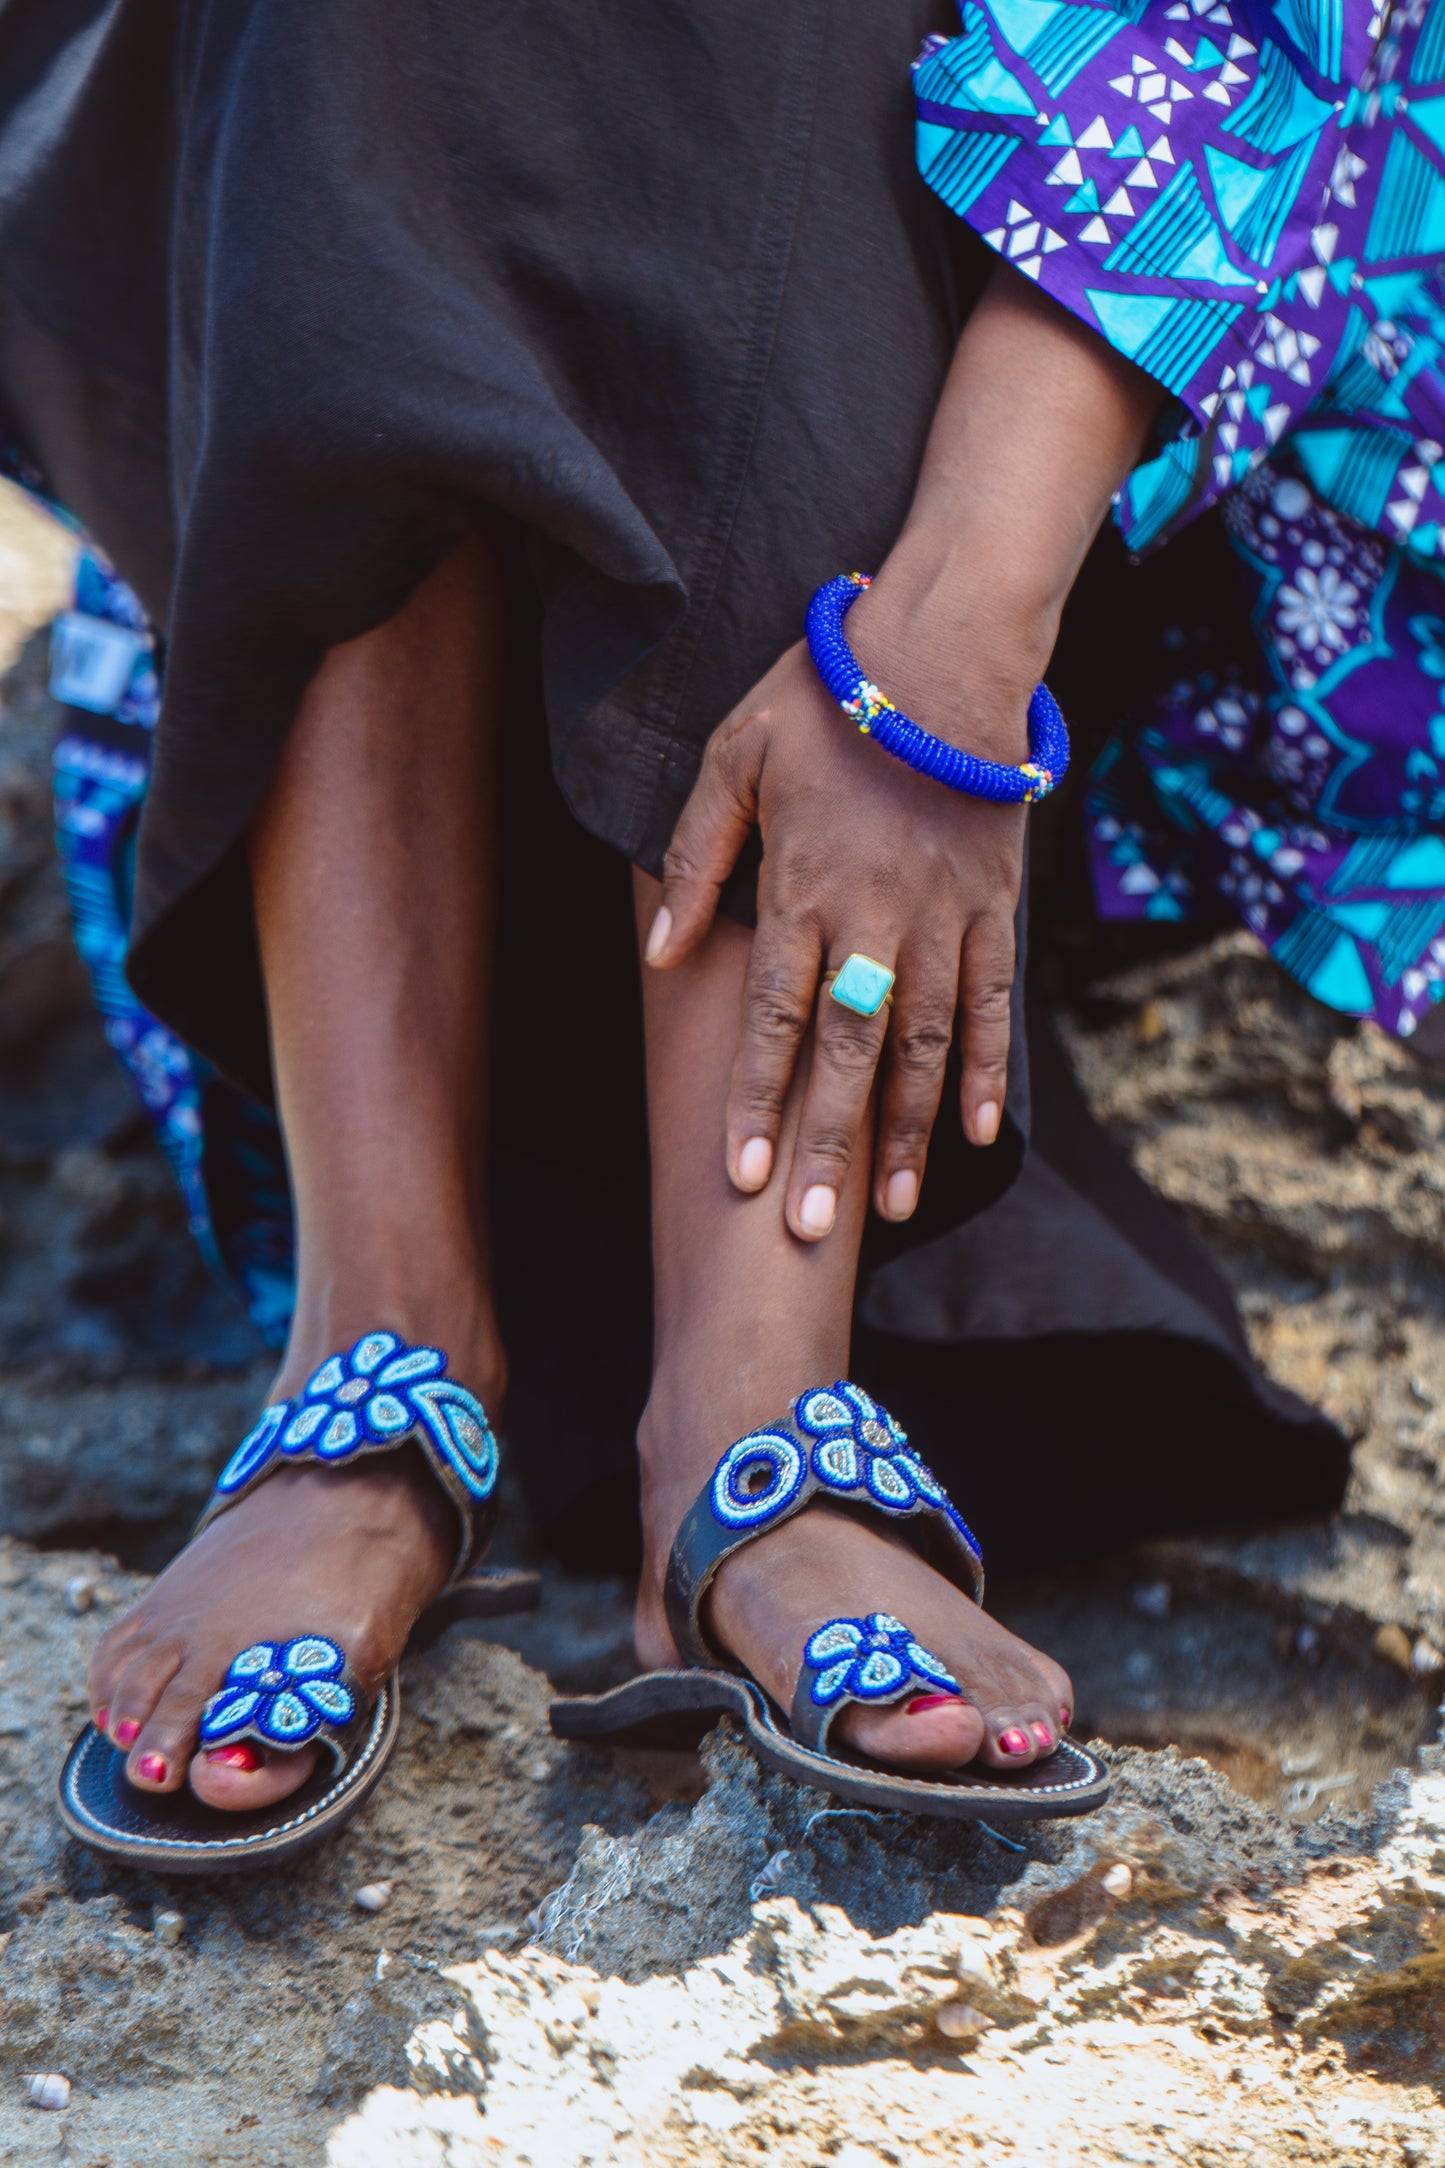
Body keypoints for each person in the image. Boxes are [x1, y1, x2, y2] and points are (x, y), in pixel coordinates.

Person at [7, 0, 1412, 1855]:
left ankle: (747, 1399)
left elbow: (1245, 40)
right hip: (325, 501)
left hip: (1038, 464)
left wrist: (945, 651)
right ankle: (386, 1332)